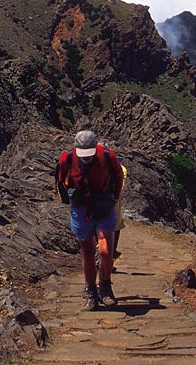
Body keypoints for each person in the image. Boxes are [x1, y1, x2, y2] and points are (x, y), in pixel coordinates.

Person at [56, 130, 124, 311]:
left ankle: (105, 287)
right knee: (87, 253)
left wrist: (114, 197)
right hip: (81, 209)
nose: (86, 159)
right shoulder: (67, 158)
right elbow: (62, 179)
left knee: (106, 251)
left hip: (104, 208)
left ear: (96, 147)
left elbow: (119, 176)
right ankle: (90, 292)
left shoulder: (107, 156)